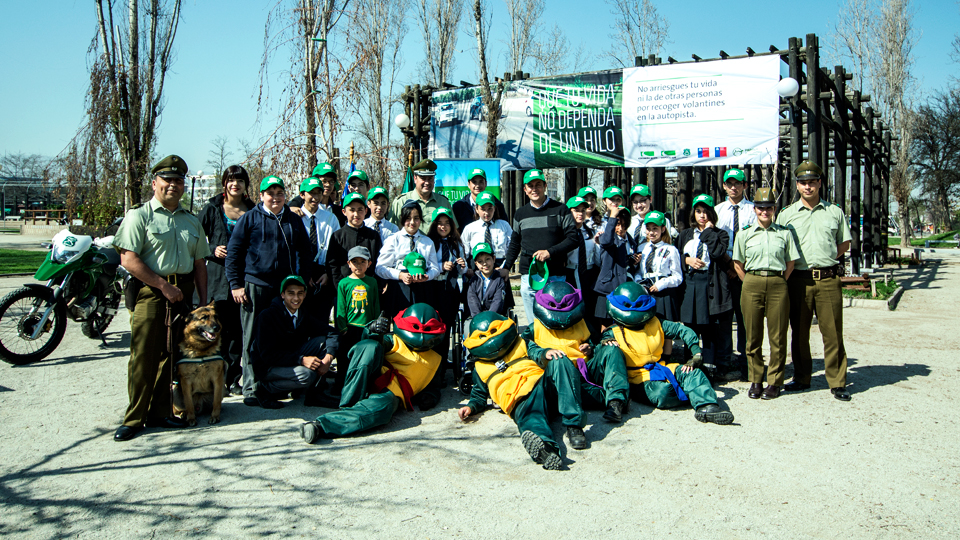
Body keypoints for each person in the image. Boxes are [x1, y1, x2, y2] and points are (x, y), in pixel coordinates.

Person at [112, 154, 211, 441]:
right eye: (167, 180)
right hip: (151, 294)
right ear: (154, 183)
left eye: (178, 181)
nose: (173, 185)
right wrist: (161, 285)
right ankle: (134, 419)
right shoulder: (139, 216)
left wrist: (202, 304)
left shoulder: (191, 221)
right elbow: (128, 259)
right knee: (144, 356)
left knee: (170, 358)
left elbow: (199, 264)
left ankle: (160, 414)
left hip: (183, 294)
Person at [299, 304, 446, 442]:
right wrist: (373, 331)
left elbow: (434, 386)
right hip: (369, 377)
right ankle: (349, 402)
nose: (420, 333)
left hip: (390, 394)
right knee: (369, 346)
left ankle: (321, 426)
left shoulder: (436, 360)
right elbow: (375, 343)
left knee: (382, 409)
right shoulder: (394, 340)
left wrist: (431, 396)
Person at [226, 175, 312, 407]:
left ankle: (276, 383)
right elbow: (233, 253)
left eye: (279, 193)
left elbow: (305, 251)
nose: (275, 198)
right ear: (261, 196)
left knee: (284, 335)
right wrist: (236, 284)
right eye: (270, 193)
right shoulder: (250, 219)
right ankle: (252, 387)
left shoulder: (293, 220)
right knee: (252, 336)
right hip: (256, 286)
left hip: (284, 288)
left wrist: (301, 282)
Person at [459, 312, 585, 470]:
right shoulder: (478, 368)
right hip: (520, 402)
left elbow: (537, 352)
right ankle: (546, 450)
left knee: (560, 359)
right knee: (532, 422)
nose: (491, 339)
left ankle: (574, 425)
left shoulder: (522, 342)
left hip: (543, 385)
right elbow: (478, 395)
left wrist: (546, 353)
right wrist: (471, 407)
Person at [600, 281, 734, 425]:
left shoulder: (657, 322)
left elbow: (683, 330)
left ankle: (708, 406)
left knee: (693, 373)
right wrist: (605, 342)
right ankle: (697, 393)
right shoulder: (611, 333)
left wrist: (696, 353)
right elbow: (603, 354)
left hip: (661, 368)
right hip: (637, 379)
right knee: (663, 393)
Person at [776, 161, 853, 401]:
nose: (808, 187)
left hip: (828, 279)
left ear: (820, 183)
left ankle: (838, 381)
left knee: (832, 333)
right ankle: (802, 377)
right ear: (797, 186)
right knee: (799, 333)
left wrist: (825, 258)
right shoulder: (786, 214)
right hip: (798, 280)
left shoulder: (834, 212)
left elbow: (844, 244)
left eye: (812, 182)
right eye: (803, 183)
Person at [521, 280, 628, 433]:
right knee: (560, 360)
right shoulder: (534, 328)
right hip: (557, 379)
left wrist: (591, 349)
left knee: (611, 349)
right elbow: (526, 349)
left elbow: (595, 343)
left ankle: (616, 403)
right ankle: (573, 424)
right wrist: (543, 353)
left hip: (584, 373)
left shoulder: (583, 323)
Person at [732, 188, 799, 400]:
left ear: (774, 209)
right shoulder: (744, 234)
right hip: (751, 281)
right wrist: (751, 282)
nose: (764, 211)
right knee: (752, 336)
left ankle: (774, 381)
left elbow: (790, 263)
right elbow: (738, 263)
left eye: (768, 207)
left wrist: (778, 281)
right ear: (755, 209)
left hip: (778, 283)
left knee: (777, 336)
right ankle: (756, 379)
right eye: (760, 208)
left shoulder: (784, 233)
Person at [198, 165, 255, 394]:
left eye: (240, 181)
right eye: (231, 180)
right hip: (218, 279)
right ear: (224, 183)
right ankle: (213, 379)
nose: (235, 185)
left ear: (245, 185)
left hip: (243, 277)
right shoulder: (212, 208)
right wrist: (212, 249)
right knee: (215, 330)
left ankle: (233, 378)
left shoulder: (252, 210)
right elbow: (194, 237)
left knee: (237, 331)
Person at [502, 169, 579, 325]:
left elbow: (573, 239)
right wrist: (506, 267)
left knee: (554, 320)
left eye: (538, 184)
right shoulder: (520, 214)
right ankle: (537, 346)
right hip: (528, 275)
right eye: (530, 186)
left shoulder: (561, 209)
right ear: (525, 190)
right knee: (534, 324)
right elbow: (515, 243)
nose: (534, 189)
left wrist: (549, 252)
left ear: (545, 186)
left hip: (555, 274)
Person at [249, 275, 338, 408]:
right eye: (291, 293)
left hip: (291, 358)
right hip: (268, 366)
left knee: (322, 341)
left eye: (300, 293)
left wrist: (329, 358)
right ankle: (264, 388)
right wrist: (301, 360)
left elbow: (332, 332)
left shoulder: (302, 314)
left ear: (305, 295)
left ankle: (314, 394)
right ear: (282, 295)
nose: (296, 298)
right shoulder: (267, 316)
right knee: (306, 375)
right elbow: (268, 356)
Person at [676, 194, 735, 381]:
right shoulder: (685, 234)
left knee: (709, 327)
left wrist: (708, 233)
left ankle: (709, 368)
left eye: (706, 212)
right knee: (690, 327)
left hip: (709, 284)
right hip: (690, 284)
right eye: (698, 211)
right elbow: (674, 255)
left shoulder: (720, 234)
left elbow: (718, 253)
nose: (702, 216)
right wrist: (687, 260)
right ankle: (689, 365)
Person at [715, 168, 756, 370]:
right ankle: (724, 360)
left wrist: (740, 266)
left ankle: (746, 360)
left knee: (745, 316)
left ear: (745, 186)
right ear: (724, 186)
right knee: (724, 316)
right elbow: (714, 243)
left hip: (747, 268)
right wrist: (730, 265)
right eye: (729, 183)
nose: (733, 187)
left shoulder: (754, 210)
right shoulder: (717, 211)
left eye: (738, 183)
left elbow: (757, 241)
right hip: (723, 268)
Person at [376, 200, 440, 315]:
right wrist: (400, 275)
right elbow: (380, 268)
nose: (412, 222)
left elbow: (435, 268)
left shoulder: (427, 241)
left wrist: (427, 276)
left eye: (416, 218)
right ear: (402, 218)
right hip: (399, 289)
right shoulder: (393, 239)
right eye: (408, 218)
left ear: (420, 220)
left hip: (423, 289)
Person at [333, 246, 380, 397]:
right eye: (355, 262)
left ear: (369, 263)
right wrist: (342, 328)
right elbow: (340, 307)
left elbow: (375, 305)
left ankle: (365, 386)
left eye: (362, 261)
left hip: (366, 328)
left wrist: (375, 326)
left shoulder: (372, 282)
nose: (358, 265)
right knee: (345, 358)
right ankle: (342, 386)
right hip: (349, 328)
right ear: (348, 263)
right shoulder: (344, 283)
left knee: (365, 360)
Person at [427, 207, 467, 375]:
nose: (443, 227)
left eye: (446, 223)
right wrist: (440, 266)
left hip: (451, 290)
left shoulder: (456, 243)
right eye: (440, 224)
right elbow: (425, 265)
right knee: (433, 327)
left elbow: (463, 270)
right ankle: (432, 367)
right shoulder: (429, 242)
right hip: (434, 288)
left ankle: (443, 366)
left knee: (447, 328)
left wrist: (462, 265)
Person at [297, 176, 341, 323]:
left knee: (321, 321)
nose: (315, 197)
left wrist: (328, 274)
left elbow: (336, 251)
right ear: (302, 195)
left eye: (318, 193)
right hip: (300, 275)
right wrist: (303, 274)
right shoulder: (295, 217)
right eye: (311, 193)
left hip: (323, 275)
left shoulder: (331, 218)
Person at [594, 205, 638, 328]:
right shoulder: (607, 236)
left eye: (624, 225)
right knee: (605, 323)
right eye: (618, 224)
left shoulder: (631, 241)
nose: (620, 229)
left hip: (624, 287)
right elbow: (606, 241)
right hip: (607, 286)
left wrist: (633, 261)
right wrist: (612, 217)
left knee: (622, 322)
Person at [634, 210, 682, 322]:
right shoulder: (642, 248)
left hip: (664, 294)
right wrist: (640, 283)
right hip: (646, 292)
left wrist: (662, 284)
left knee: (666, 331)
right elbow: (639, 271)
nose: (651, 232)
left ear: (663, 229)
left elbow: (678, 277)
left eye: (655, 228)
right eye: (648, 228)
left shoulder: (671, 250)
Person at [329, 192, 383, 289]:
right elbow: (333, 265)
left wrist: (375, 285)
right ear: (344, 212)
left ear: (366, 211)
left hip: (369, 288)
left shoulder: (373, 236)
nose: (356, 214)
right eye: (352, 210)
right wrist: (340, 286)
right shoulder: (337, 236)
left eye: (360, 210)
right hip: (344, 289)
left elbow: (379, 262)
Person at [389, 158, 456, 234]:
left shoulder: (443, 202)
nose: (427, 182)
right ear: (415, 179)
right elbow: (391, 230)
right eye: (423, 178)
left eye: (430, 178)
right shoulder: (401, 202)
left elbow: (453, 230)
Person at [460, 191, 512, 269]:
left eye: (490, 209)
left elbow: (511, 249)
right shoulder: (469, 228)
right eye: (483, 209)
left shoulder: (504, 225)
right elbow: (463, 252)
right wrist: (467, 269)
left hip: (500, 266)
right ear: (476, 209)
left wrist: (504, 268)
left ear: (494, 208)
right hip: (476, 268)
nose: (486, 213)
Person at [452, 168, 508, 233]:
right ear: (468, 184)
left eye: (481, 182)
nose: (478, 185)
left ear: (486, 183)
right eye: (474, 182)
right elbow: (455, 231)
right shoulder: (459, 206)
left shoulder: (497, 205)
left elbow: (505, 228)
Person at [466, 242, 508, 317]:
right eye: (480, 261)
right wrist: (478, 317)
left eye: (487, 259)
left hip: (494, 317)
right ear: (476, 264)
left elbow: (497, 301)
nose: (484, 263)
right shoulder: (474, 280)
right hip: (477, 318)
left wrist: (489, 317)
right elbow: (472, 300)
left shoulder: (498, 280)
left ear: (494, 259)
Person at [626, 184, 674, 248]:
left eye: (642, 200)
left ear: (650, 199)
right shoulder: (629, 222)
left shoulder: (662, 220)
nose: (639, 205)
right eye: (635, 202)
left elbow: (667, 244)